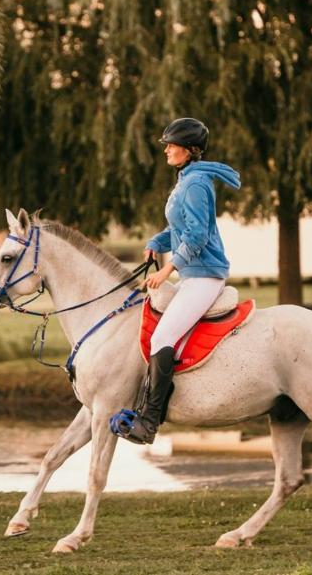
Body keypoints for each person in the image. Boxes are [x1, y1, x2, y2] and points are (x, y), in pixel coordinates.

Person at [119, 117, 241, 444]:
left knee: (162, 338)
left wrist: (166, 269)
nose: (167, 151)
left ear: (189, 150)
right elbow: (179, 230)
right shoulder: (186, 180)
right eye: (167, 146)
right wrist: (155, 245)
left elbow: (197, 236)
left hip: (204, 277)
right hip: (192, 276)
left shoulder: (196, 184)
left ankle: (149, 423)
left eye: (172, 146)